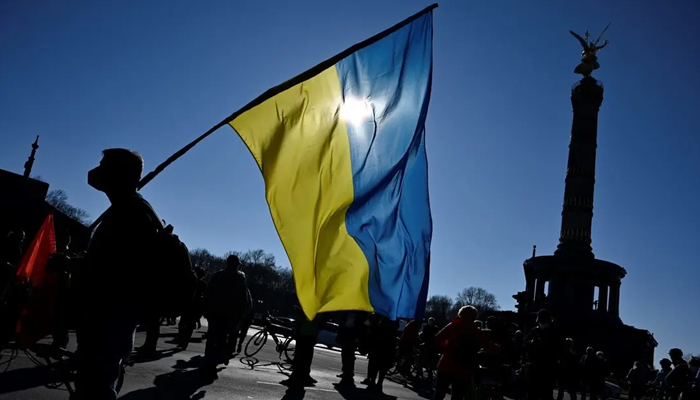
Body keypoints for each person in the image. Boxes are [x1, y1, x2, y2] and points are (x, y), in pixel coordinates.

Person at [69, 148, 159, 400]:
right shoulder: (124, 207)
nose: (95, 171)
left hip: (111, 316)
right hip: (107, 315)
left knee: (95, 388)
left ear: (118, 174)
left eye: (103, 165)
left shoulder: (131, 211)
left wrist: (78, 266)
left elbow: (119, 270)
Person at [433, 305, 498, 400]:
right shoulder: (476, 331)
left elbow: (438, 339)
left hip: (446, 364)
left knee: (439, 394)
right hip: (464, 368)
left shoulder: (452, 326)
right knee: (457, 396)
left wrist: (447, 346)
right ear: (474, 316)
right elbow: (489, 347)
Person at [202, 254, 249, 375]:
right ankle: (215, 361)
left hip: (215, 312)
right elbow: (243, 299)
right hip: (229, 314)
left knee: (212, 337)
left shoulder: (217, 276)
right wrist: (241, 315)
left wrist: (206, 310)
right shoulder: (240, 278)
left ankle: (209, 361)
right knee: (222, 338)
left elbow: (208, 294)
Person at [524, 309, 564, 400]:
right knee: (532, 394)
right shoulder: (535, 331)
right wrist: (532, 343)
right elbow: (525, 343)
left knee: (546, 394)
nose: (542, 324)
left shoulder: (555, 333)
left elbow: (559, 349)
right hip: (534, 367)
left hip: (548, 368)